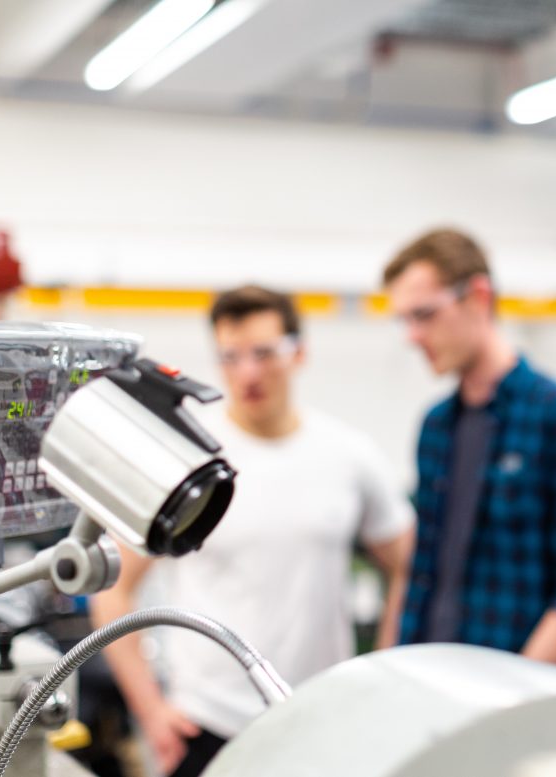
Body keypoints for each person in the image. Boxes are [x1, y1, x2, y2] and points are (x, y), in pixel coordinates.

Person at [90, 285, 415, 777]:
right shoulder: (187, 456)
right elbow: (112, 587)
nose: (248, 372)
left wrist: (379, 678)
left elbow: (408, 566)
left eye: (265, 353)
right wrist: (152, 711)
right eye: (231, 356)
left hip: (320, 721)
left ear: (298, 352)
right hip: (206, 727)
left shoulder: (348, 456)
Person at [382, 228, 556, 669]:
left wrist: (511, 696)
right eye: (406, 320)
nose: (413, 336)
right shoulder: (436, 427)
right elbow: (423, 576)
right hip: (440, 687)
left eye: (424, 315)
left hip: (533, 709)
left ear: (477, 296)